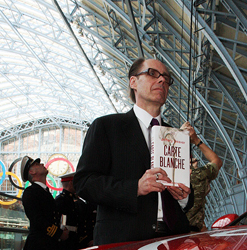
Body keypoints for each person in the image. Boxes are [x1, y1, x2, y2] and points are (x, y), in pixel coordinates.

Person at [73, 57, 193, 245]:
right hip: (124, 239)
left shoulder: (179, 137)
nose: (162, 80)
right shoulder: (107, 127)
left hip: (175, 237)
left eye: (166, 78)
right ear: (133, 82)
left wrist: (184, 196)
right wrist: (135, 187)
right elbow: (84, 182)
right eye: (153, 74)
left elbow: (187, 199)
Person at [181, 122, 223, 232]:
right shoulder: (199, 175)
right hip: (194, 234)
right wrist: (196, 140)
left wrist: (178, 136)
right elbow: (217, 161)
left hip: (168, 235)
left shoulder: (165, 175)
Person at [21, 156, 69, 250]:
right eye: (37, 164)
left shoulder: (44, 192)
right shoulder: (30, 192)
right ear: (32, 172)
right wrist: (58, 233)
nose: (42, 164)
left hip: (48, 243)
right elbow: (37, 219)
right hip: (38, 245)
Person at [55, 172, 95, 250]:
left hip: (77, 240)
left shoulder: (74, 200)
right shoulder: (61, 200)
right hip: (66, 241)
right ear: (71, 183)